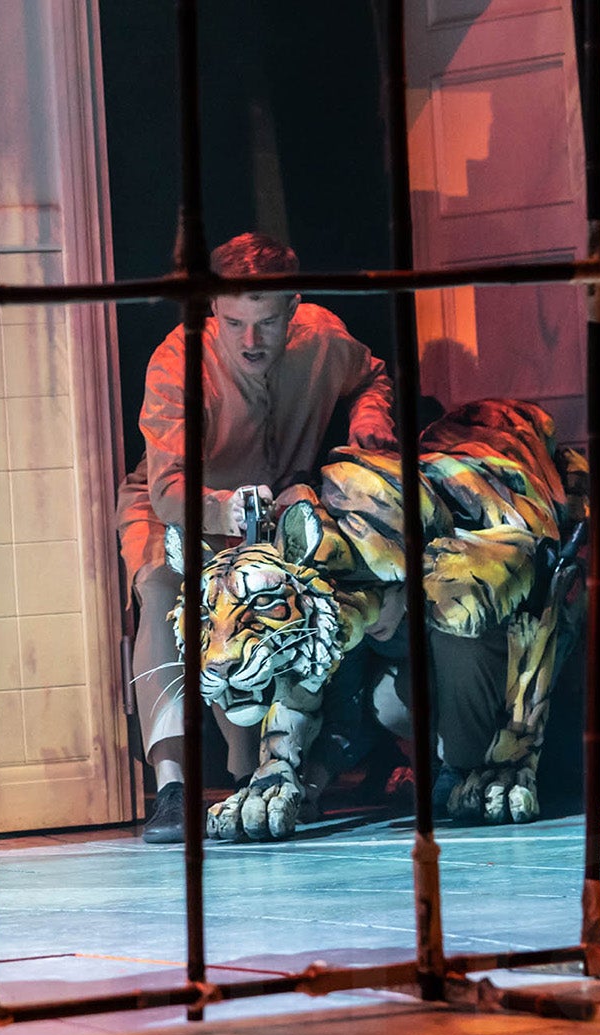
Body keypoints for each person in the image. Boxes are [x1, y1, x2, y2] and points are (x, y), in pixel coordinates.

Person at [116, 232, 395, 844]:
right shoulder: (177, 361)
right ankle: (172, 788)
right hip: (178, 508)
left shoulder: (323, 337)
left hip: (276, 509)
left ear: (293, 307)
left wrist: (370, 415)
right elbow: (168, 489)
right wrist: (226, 510)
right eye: (235, 322)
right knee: (164, 592)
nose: (251, 341)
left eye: (266, 323)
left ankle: (258, 774)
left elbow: (371, 376)